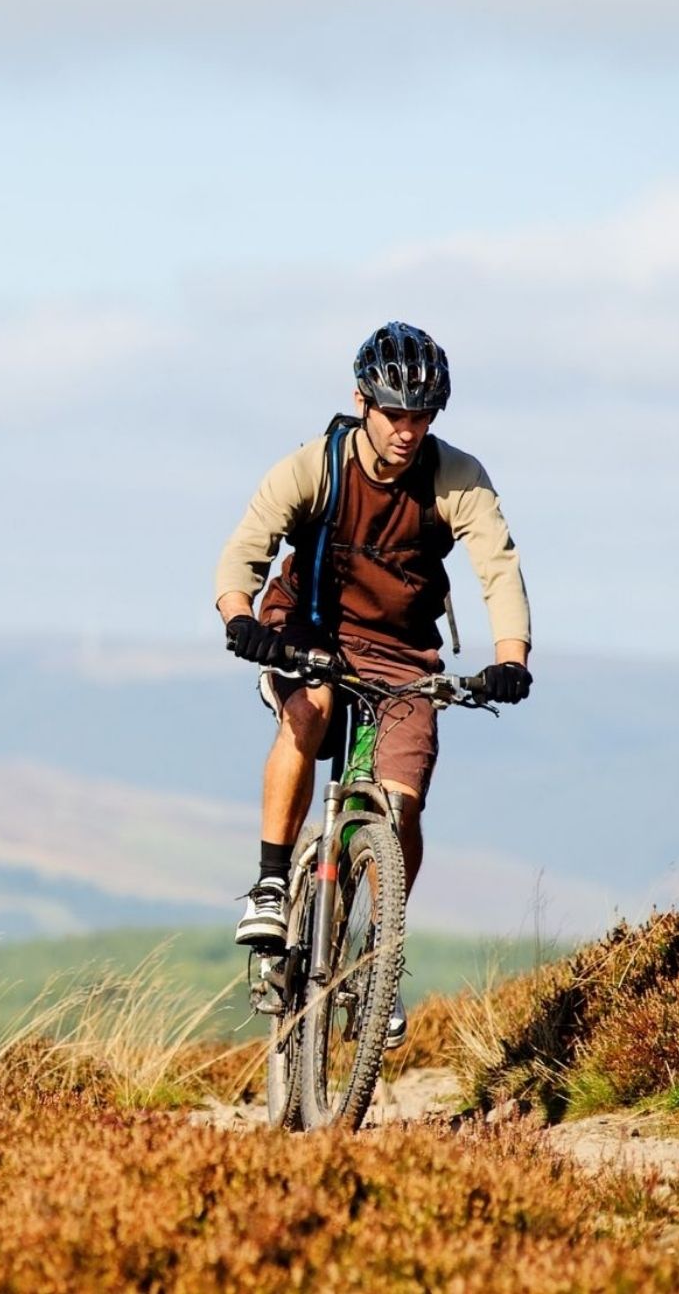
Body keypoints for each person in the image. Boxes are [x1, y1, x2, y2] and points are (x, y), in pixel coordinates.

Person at [213, 321, 532, 1044]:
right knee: (314, 706)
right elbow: (245, 553)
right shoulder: (314, 466)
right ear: (362, 401)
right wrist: (242, 620)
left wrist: (511, 658)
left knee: (402, 806)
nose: (408, 431)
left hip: (402, 657)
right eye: (395, 414)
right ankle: (270, 883)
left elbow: (497, 566)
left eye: (422, 417)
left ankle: (376, 959)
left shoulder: (456, 477)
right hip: (311, 632)